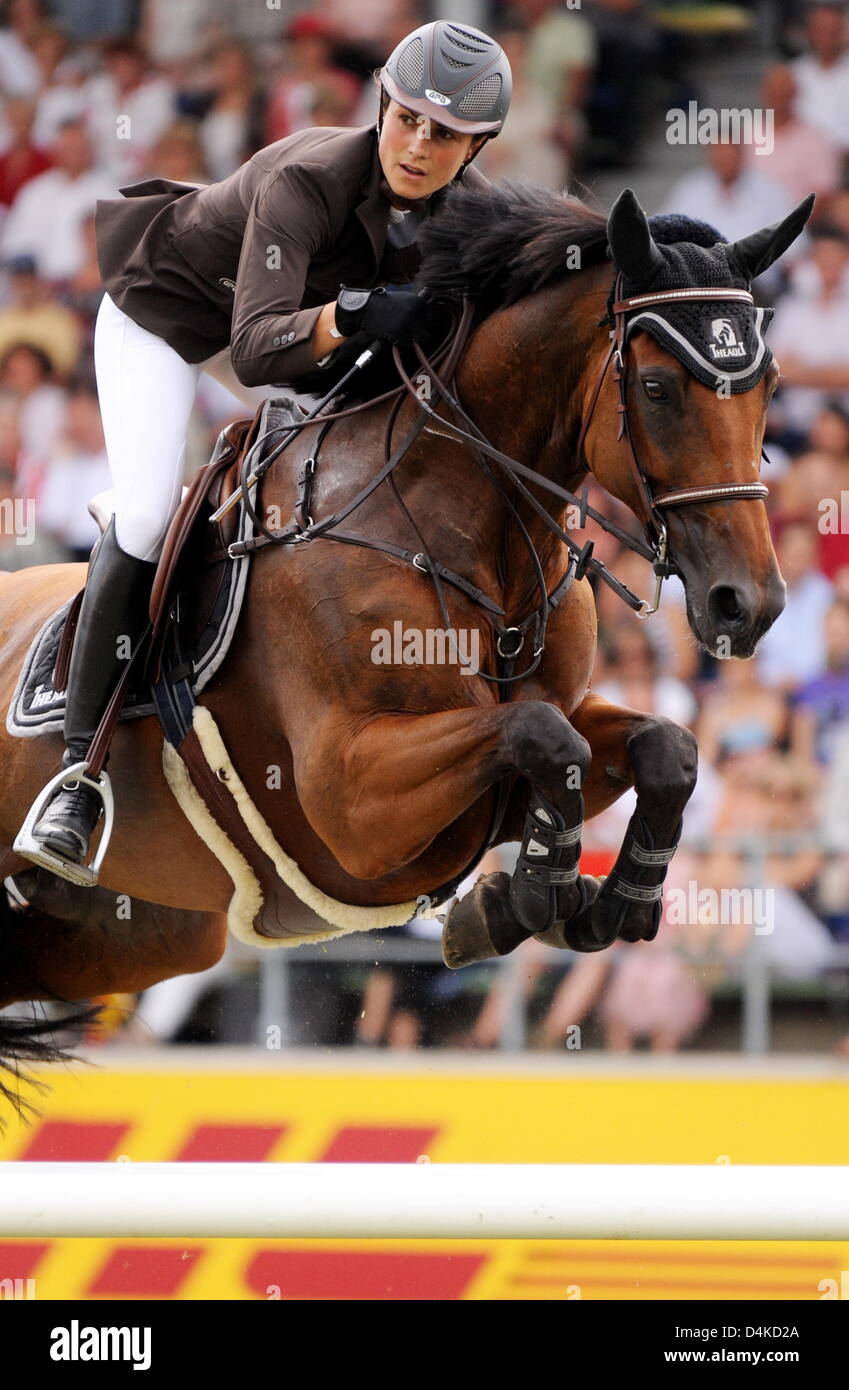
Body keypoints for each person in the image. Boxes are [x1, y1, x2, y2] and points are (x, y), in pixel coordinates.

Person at [15, 20, 511, 880]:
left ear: (478, 146)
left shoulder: (465, 212)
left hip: (298, 348)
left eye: (447, 135)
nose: (419, 146)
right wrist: (350, 316)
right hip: (169, 323)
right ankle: (76, 774)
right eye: (407, 120)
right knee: (143, 513)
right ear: (381, 106)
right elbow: (252, 350)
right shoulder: (309, 176)